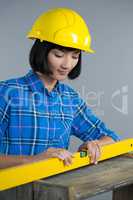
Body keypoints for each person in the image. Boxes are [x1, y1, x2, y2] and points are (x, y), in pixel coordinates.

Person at [0, 7, 120, 169]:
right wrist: (33, 160)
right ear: (41, 52)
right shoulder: (7, 92)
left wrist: (94, 145)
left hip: (57, 192)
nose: (67, 64)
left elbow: (111, 137)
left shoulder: (70, 99)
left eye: (75, 56)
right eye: (58, 55)